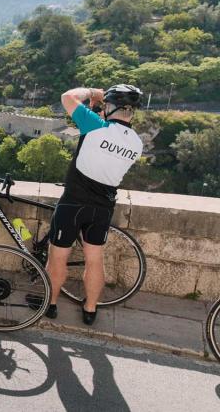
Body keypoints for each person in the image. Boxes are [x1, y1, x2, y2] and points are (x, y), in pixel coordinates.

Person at [44, 84, 143, 325]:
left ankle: (51, 304)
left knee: (58, 256)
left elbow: (67, 97)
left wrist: (91, 92)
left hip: (73, 202)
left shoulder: (96, 126)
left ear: (111, 106)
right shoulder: (137, 144)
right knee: (95, 259)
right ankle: (90, 309)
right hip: (103, 206)